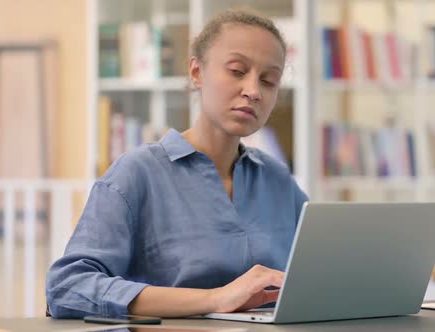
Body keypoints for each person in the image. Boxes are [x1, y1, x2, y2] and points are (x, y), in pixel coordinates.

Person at [46, 9, 308, 318]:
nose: (253, 91)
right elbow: (67, 288)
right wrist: (215, 299)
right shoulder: (137, 173)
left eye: (269, 80)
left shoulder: (277, 179)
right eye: (237, 71)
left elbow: (323, 275)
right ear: (197, 73)